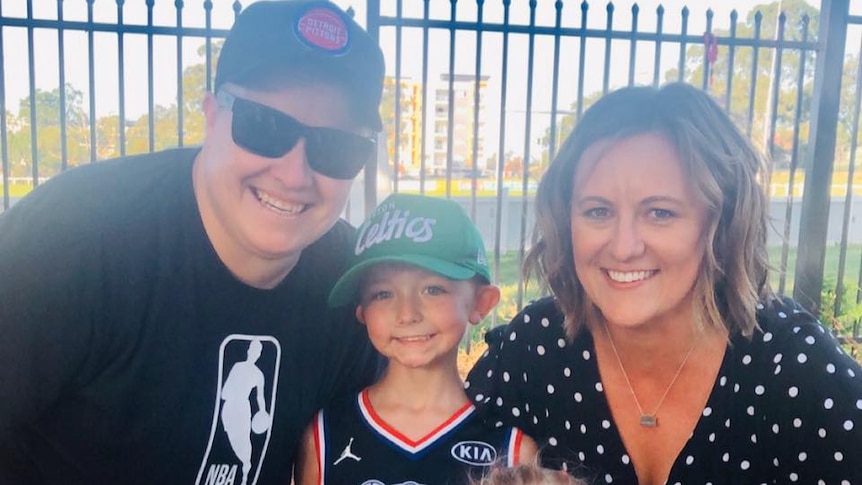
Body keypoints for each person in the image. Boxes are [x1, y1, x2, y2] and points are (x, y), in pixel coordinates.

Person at [0, 1, 384, 484]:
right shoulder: (70, 242)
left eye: (336, 146)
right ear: (210, 116)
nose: (293, 173)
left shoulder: (353, 284)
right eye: (264, 127)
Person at [466, 82, 862, 485]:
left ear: (720, 224)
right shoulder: (534, 351)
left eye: (660, 213)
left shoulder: (794, 370)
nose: (623, 248)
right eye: (598, 211)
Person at [294, 193, 538, 485]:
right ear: (362, 312)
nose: (407, 313)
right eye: (383, 294)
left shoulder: (512, 451)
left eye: (433, 289)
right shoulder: (325, 435)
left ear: (481, 302)